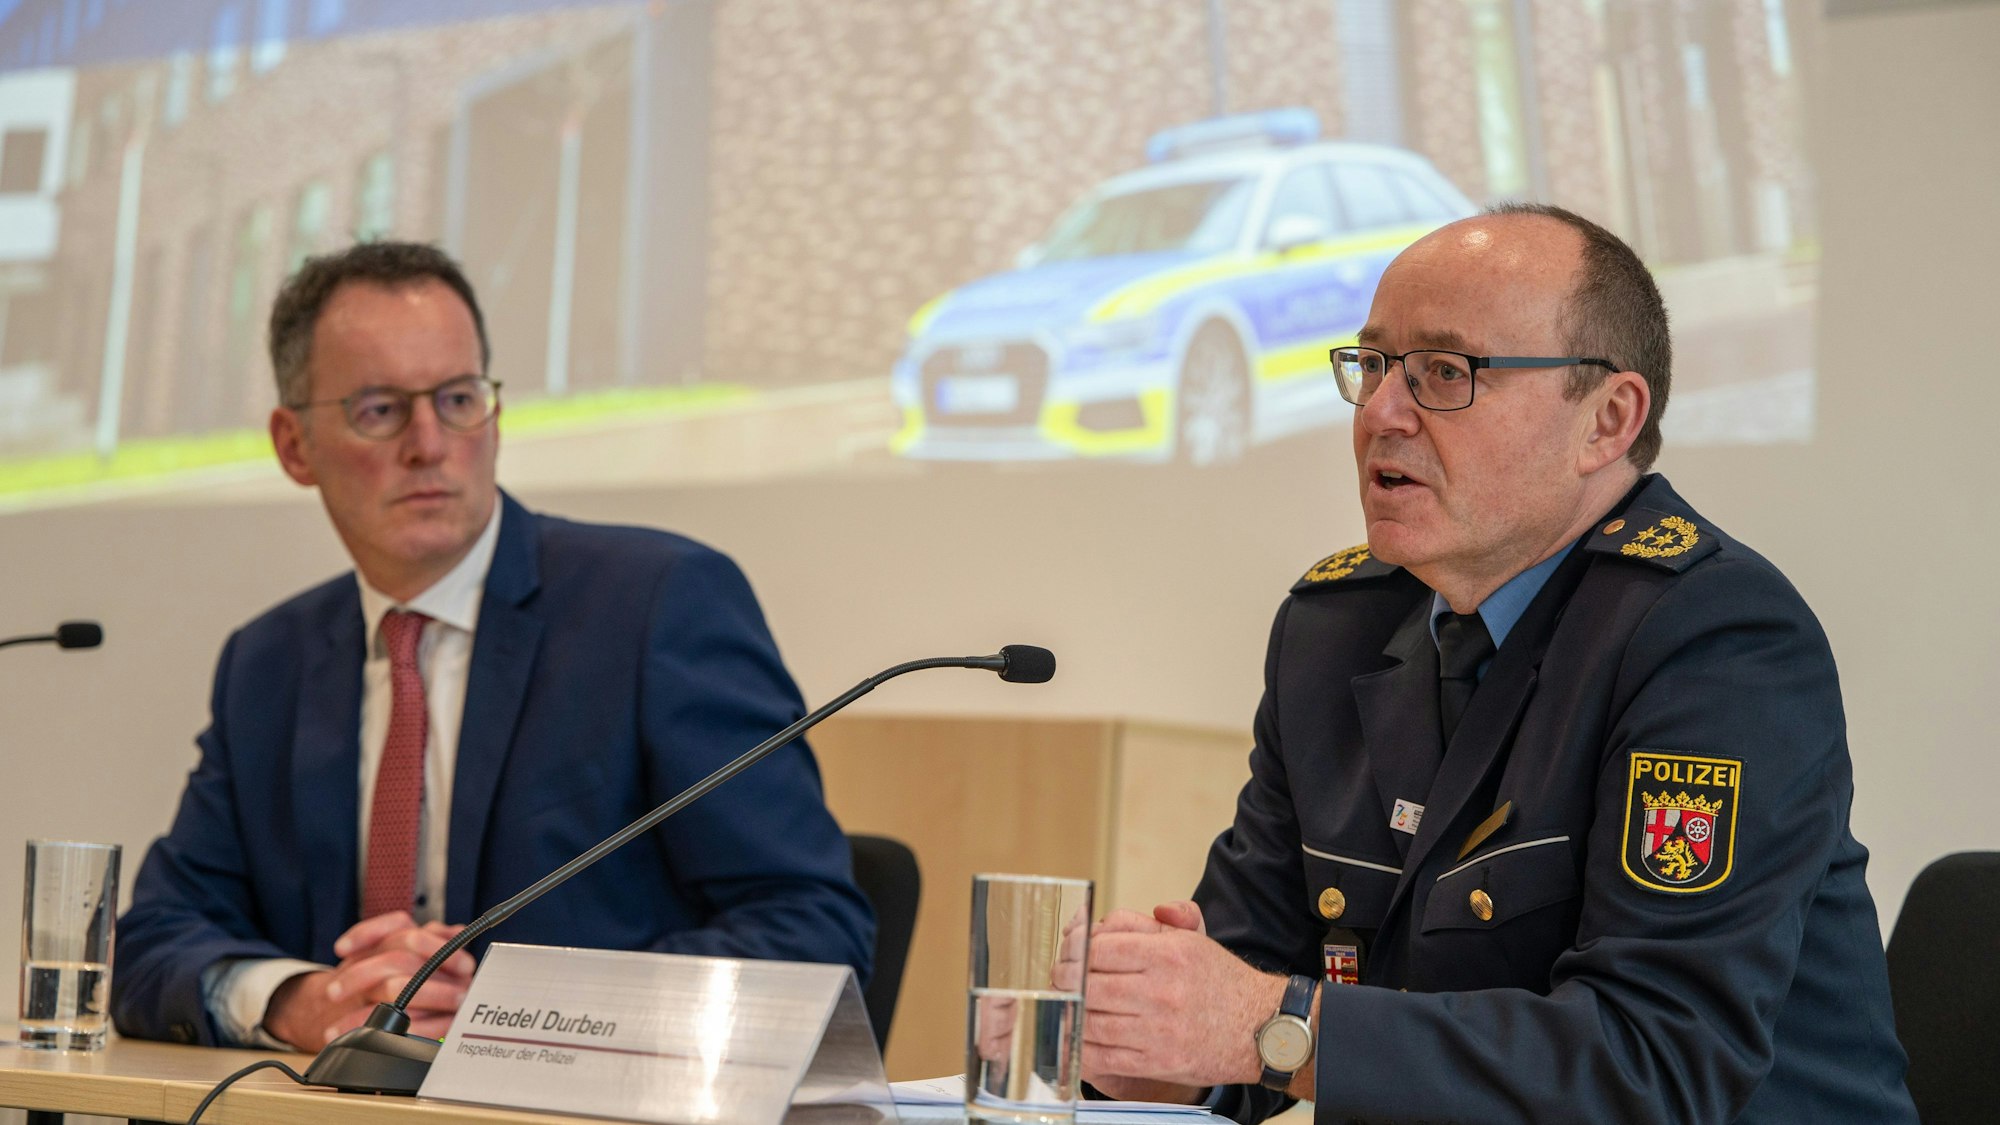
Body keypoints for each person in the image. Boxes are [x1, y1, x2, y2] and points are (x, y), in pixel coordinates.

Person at [1077, 205, 1917, 1122]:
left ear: (1607, 420)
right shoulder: (1332, 630)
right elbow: (1248, 982)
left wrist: (1261, 1025)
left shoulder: (1716, 640)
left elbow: (1653, 1063)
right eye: (1373, 365)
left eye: (1446, 372)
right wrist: (1143, 1044)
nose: (1382, 412)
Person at [111, 241, 874, 1051]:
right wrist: (301, 1000)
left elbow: (812, 929)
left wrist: (511, 1018)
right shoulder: (269, 663)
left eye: (458, 399)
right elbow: (152, 939)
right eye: (380, 409)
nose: (429, 443)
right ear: (294, 445)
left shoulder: (657, 605)